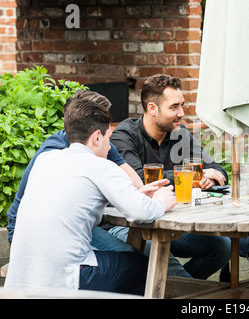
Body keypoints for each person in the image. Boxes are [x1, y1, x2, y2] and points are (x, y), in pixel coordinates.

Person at [6, 89, 191, 278]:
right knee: (144, 265)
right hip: (52, 256)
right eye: (107, 132)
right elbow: (139, 211)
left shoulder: (53, 157)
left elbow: (135, 186)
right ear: (96, 132)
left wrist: (132, 196)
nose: (111, 144)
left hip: (34, 258)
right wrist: (159, 202)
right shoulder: (84, 157)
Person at [110, 74, 231, 280]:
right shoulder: (125, 135)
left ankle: (181, 288)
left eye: (182, 105)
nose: (181, 113)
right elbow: (142, 179)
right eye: (174, 107)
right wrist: (196, 175)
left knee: (221, 246)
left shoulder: (179, 134)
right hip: (128, 225)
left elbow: (218, 170)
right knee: (159, 253)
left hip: (170, 222)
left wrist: (211, 178)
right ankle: (188, 293)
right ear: (152, 108)